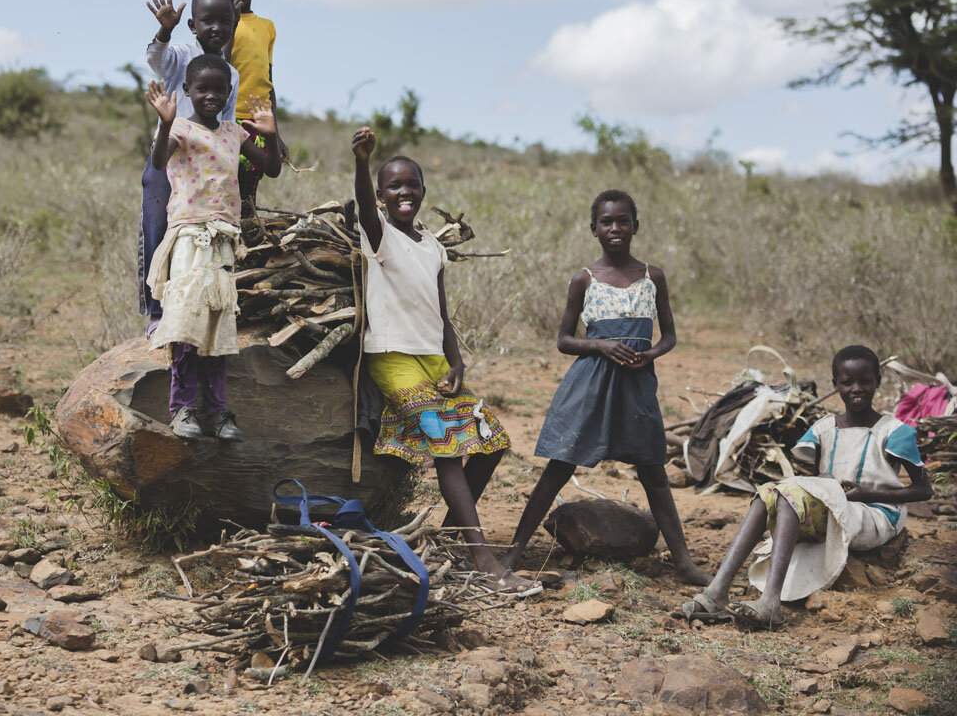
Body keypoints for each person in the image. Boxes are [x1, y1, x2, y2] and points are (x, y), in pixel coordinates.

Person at [350, 126, 532, 593]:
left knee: (492, 441)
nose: (404, 192)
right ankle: (483, 561)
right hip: (392, 358)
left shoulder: (432, 245)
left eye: (412, 184)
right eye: (393, 186)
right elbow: (366, 211)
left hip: (434, 359)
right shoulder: (380, 237)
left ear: (424, 191)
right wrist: (361, 162)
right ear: (382, 196)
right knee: (448, 449)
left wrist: (458, 364)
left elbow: (442, 311)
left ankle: (454, 535)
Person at [502, 190, 710, 585]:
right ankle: (514, 551)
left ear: (636, 225)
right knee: (560, 465)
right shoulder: (585, 279)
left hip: (636, 385)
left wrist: (649, 355)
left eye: (623, 221)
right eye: (607, 222)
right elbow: (564, 340)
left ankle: (683, 562)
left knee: (653, 472)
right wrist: (598, 344)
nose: (615, 228)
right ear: (594, 228)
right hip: (591, 384)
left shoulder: (653, 276)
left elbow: (669, 336)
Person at [681, 345, 932, 629]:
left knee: (789, 496)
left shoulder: (893, 431)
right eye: (847, 382)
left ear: (878, 381)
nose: (856, 389)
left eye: (865, 380)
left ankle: (770, 601)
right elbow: (814, 482)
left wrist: (866, 493)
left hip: (874, 512)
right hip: (834, 507)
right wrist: (827, 484)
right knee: (767, 496)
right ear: (835, 383)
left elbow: (924, 490)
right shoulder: (824, 428)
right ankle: (717, 591)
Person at [144, 54, 281, 441]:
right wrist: (165, 122)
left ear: (228, 93)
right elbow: (157, 161)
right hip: (190, 235)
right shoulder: (181, 129)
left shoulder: (233, 132)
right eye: (202, 89)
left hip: (224, 238)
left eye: (220, 90)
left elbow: (270, 169)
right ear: (187, 91)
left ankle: (219, 413)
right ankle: (183, 409)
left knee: (219, 325)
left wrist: (269, 134)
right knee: (187, 323)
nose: (211, 96)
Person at [138, 0, 240, 335]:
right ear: (193, 25)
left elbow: (225, 124)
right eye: (207, 21)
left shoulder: (231, 74)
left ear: (233, 25)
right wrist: (165, 30)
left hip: (204, 170)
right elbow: (156, 61)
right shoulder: (179, 55)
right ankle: (156, 311)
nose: (216, 28)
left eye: (224, 21)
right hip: (168, 157)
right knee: (156, 223)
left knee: (204, 237)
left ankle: (201, 306)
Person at [216, 0, 285, 217]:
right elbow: (220, 63)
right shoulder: (216, 23)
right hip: (225, 121)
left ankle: (244, 246)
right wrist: (230, 20)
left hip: (256, 124)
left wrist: (275, 135)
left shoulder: (267, 27)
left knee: (247, 194)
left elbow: (267, 81)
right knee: (222, 189)